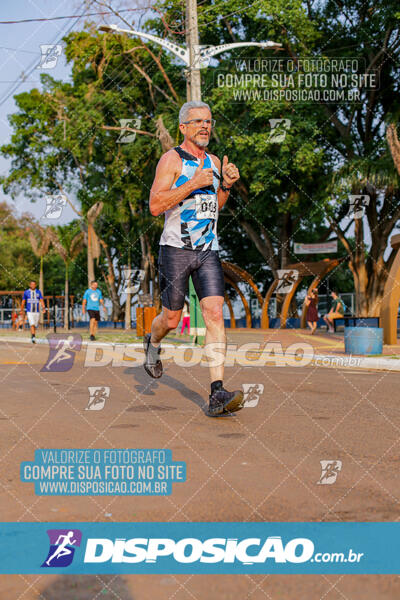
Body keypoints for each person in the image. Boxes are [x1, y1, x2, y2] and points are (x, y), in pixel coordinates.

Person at [145, 100, 244, 417]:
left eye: (209, 121)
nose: (205, 126)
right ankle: (153, 340)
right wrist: (191, 183)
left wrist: (225, 185)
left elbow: (216, 205)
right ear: (183, 127)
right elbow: (156, 206)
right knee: (171, 320)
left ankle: (217, 393)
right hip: (175, 249)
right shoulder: (171, 160)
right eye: (198, 121)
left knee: (215, 312)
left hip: (208, 249)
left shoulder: (215, 162)